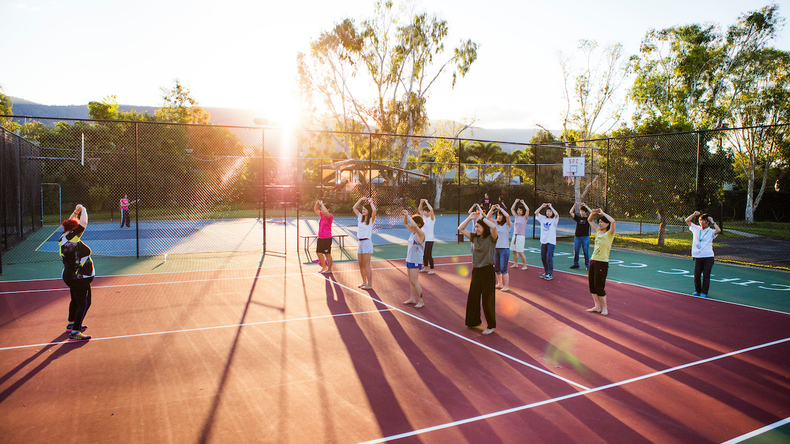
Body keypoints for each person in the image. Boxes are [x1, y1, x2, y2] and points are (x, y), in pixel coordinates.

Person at [458, 208, 498, 335]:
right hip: (476, 271)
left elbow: (494, 227)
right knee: (473, 297)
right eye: (475, 227)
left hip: (487, 271)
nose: (476, 229)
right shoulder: (474, 237)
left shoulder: (492, 238)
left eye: (478, 227)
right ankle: (473, 321)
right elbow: (460, 228)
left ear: (484, 227)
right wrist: (470, 218)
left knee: (487, 299)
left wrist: (483, 218)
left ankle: (490, 326)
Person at [58, 204, 94, 341]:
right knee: (84, 303)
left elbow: (70, 224)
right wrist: (83, 209)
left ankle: (72, 323)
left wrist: (75, 212)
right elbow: (83, 223)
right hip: (78, 277)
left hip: (71, 275)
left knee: (75, 300)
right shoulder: (72, 237)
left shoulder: (64, 236)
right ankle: (75, 332)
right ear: (73, 230)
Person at [685, 211, 721, 298]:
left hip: (708, 256)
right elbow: (687, 221)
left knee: (706, 275)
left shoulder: (711, 231)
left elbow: (718, 230)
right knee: (697, 274)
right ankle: (697, 290)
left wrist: (713, 221)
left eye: (703, 220)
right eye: (700, 220)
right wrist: (693, 214)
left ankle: (704, 292)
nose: (701, 222)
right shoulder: (696, 228)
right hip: (698, 256)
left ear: (707, 222)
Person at [587, 208, 616, 316]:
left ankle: (605, 308)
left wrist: (602, 213)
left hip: (602, 262)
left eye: (602, 222)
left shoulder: (610, 234)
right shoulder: (598, 231)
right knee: (592, 286)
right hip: (593, 261)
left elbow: (613, 221)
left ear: (607, 224)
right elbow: (589, 221)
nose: (600, 223)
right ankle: (597, 306)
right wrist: (593, 213)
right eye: (599, 221)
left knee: (599, 286)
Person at [402, 210, 426, 308]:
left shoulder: (421, 234)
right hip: (410, 259)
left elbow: (414, 226)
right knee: (411, 280)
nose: (412, 224)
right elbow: (405, 223)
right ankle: (412, 298)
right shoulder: (413, 232)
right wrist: (405, 216)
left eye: (413, 221)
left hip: (416, 261)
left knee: (414, 281)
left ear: (418, 224)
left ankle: (421, 301)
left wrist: (408, 216)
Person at [353, 197, 377, 290]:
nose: (363, 211)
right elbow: (354, 208)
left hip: (367, 242)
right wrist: (360, 199)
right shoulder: (360, 218)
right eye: (362, 209)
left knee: (366, 264)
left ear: (368, 211)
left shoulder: (371, 219)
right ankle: (364, 282)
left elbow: (374, 210)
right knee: (360, 264)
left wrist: (370, 201)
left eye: (365, 209)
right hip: (360, 242)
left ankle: (370, 284)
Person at [490, 204, 512, 291]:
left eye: (500, 215)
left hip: (504, 249)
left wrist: (500, 209)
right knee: (497, 268)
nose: (499, 217)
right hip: (496, 249)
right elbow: (488, 217)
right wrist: (492, 208)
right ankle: (499, 283)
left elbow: (508, 216)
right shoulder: (495, 223)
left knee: (503, 268)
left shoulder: (507, 225)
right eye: (498, 215)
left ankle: (506, 286)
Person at [535, 203, 559, 280]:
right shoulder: (543, 218)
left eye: (550, 211)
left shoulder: (554, 220)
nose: (548, 213)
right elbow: (536, 213)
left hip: (551, 242)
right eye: (547, 211)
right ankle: (546, 272)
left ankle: (550, 273)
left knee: (549, 257)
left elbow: (557, 214)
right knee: (543, 257)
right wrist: (542, 206)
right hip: (543, 241)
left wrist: (551, 207)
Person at [569, 202, 591, 270]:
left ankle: (587, 265)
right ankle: (576, 264)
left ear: (586, 212)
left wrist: (586, 206)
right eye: (581, 211)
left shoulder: (588, 219)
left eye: (583, 211)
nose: (581, 212)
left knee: (585, 251)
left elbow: (592, 212)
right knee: (576, 251)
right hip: (577, 237)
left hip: (585, 237)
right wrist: (574, 205)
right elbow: (571, 212)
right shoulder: (578, 218)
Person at [313, 200, 334, 273]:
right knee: (319, 253)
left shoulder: (330, 216)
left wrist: (322, 203)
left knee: (327, 254)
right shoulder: (322, 215)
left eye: (323, 208)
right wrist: (317, 203)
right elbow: (315, 209)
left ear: (327, 209)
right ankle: (324, 267)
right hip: (320, 237)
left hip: (327, 238)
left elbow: (325, 212)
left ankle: (329, 269)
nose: (321, 209)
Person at [418, 199, 436, 274]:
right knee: (424, 255)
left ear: (428, 212)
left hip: (430, 239)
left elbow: (431, 209)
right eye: (424, 211)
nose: (424, 212)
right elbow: (419, 209)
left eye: (425, 211)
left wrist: (426, 202)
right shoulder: (424, 218)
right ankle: (425, 268)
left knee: (428, 254)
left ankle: (432, 269)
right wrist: (421, 203)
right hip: (424, 239)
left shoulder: (432, 218)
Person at [510, 199, 529, 269]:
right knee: (514, 251)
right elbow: (512, 209)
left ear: (523, 211)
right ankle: (515, 263)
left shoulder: (525, 217)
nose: (518, 211)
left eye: (520, 210)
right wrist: (515, 202)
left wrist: (523, 203)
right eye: (518, 210)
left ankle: (525, 265)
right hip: (515, 235)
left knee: (520, 252)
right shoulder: (516, 217)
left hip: (520, 236)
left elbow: (528, 210)